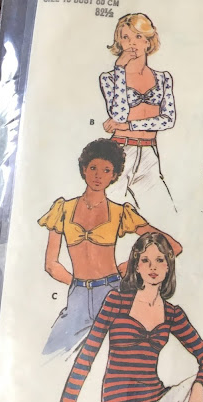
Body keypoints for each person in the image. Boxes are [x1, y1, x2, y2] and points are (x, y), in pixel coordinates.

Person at [53, 232, 203, 402]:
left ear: (168, 266)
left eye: (160, 260)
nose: (153, 267)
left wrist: (198, 386)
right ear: (137, 266)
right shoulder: (116, 302)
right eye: (145, 260)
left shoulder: (172, 314)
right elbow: (85, 359)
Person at [38, 139, 181, 358]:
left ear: (114, 176)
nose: (98, 175)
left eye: (106, 170)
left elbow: (173, 247)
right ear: (83, 169)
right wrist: (78, 285)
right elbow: (51, 264)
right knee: (51, 356)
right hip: (77, 297)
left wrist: (131, 267)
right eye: (93, 168)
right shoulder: (63, 209)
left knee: (120, 359)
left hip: (113, 292)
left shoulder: (119, 213)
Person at [99, 13, 176, 212]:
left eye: (138, 36)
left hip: (149, 152)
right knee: (112, 213)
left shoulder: (163, 78)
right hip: (119, 151)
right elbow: (119, 115)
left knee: (163, 212)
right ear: (119, 42)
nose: (132, 43)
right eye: (125, 37)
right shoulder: (109, 78)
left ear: (148, 41)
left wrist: (129, 126)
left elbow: (167, 120)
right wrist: (120, 70)